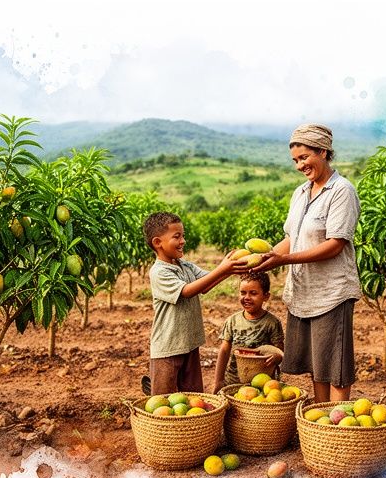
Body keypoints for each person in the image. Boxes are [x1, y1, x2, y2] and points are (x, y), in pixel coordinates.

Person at [245, 123, 362, 403]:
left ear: (323, 152)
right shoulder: (300, 193)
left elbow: (335, 244)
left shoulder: (341, 191)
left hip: (331, 293)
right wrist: (265, 259)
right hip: (303, 292)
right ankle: (320, 419)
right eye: (296, 160)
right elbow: (292, 238)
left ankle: (335, 423)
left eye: (304, 157)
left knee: (335, 367)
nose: (300, 165)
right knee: (317, 365)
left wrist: (283, 260)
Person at [141, 211, 239, 396]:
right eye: (177, 236)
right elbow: (187, 291)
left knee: (193, 397)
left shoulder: (185, 266)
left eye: (183, 236)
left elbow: (206, 284)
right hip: (168, 348)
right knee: (163, 400)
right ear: (157, 242)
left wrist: (231, 269)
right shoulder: (159, 272)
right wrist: (222, 268)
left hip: (190, 344)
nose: (183, 241)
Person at [211, 272, 285, 394]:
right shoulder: (232, 321)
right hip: (233, 381)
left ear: (266, 296)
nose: (247, 297)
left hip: (262, 384)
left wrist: (277, 357)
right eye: (243, 293)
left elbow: (279, 349)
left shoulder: (272, 322)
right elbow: (224, 351)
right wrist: (218, 381)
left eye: (253, 293)